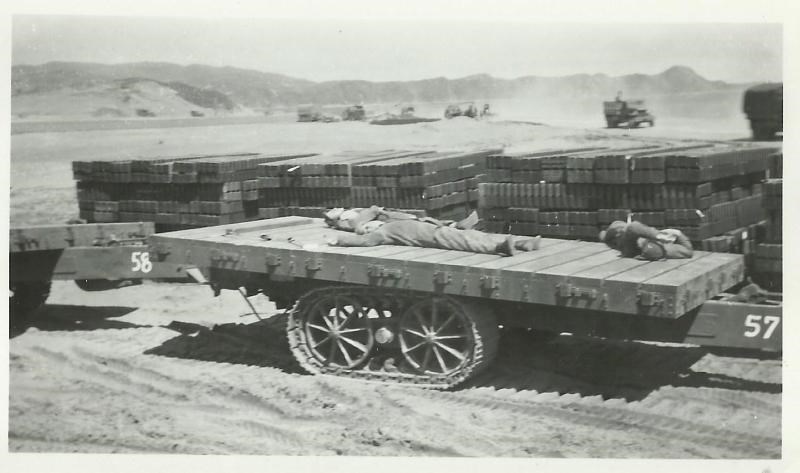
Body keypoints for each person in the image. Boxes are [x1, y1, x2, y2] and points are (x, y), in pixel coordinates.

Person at [325, 218, 540, 256]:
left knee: (473, 234)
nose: (371, 225)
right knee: (466, 242)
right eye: (367, 227)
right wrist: (338, 240)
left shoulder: (388, 222)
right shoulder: (381, 233)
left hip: (436, 229)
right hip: (432, 237)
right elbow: (363, 241)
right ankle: (500, 248)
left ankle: (522, 243)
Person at [324, 206, 479, 234]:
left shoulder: (351, 216)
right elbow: (367, 215)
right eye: (334, 211)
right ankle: (456, 227)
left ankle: (455, 225)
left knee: (423, 220)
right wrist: (375, 209)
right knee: (421, 222)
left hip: (389, 218)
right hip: (389, 221)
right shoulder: (349, 220)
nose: (337, 208)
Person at [599, 220, 693, 260]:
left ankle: (661, 236)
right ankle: (661, 236)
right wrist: (677, 234)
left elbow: (633, 228)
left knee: (632, 227)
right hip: (636, 248)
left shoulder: (659, 249)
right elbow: (688, 251)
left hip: (633, 249)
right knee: (632, 227)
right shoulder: (664, 249)